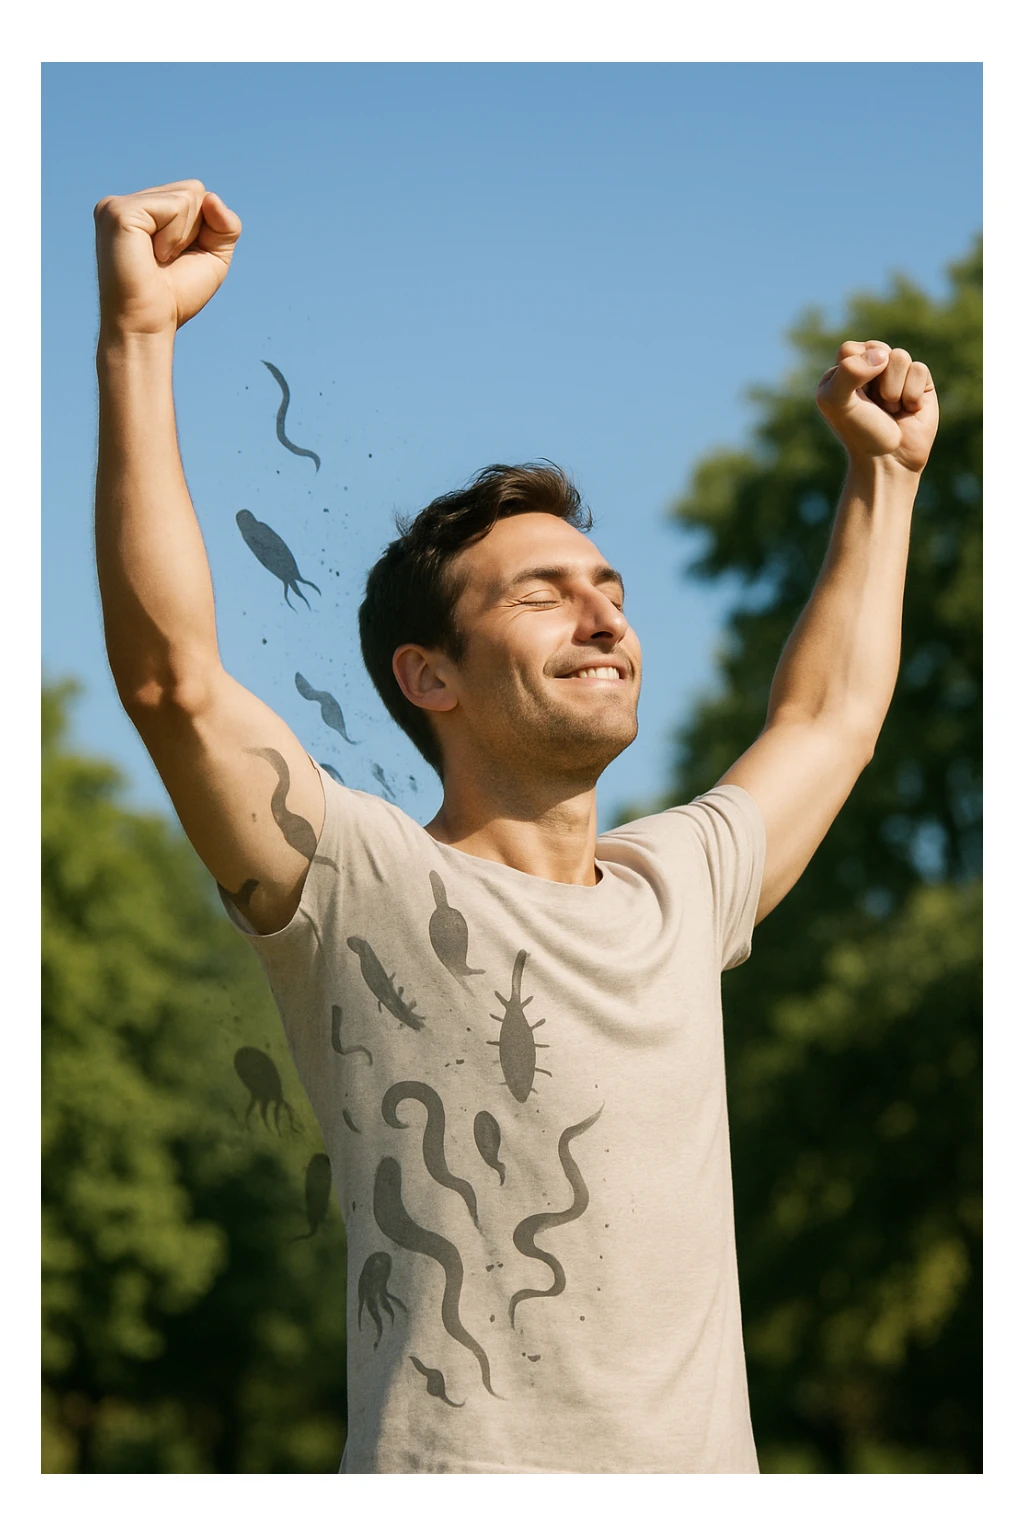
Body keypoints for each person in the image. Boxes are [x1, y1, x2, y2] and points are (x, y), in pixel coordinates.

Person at [92, 179, 939, 1474]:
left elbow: (829, 719)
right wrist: (138, 340)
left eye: (609, 590)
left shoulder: (677, 889)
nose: (605, 618)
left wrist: (883, 478)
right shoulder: (363, 885)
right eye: (544, 596)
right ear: (429, 676)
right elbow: (173, 683)